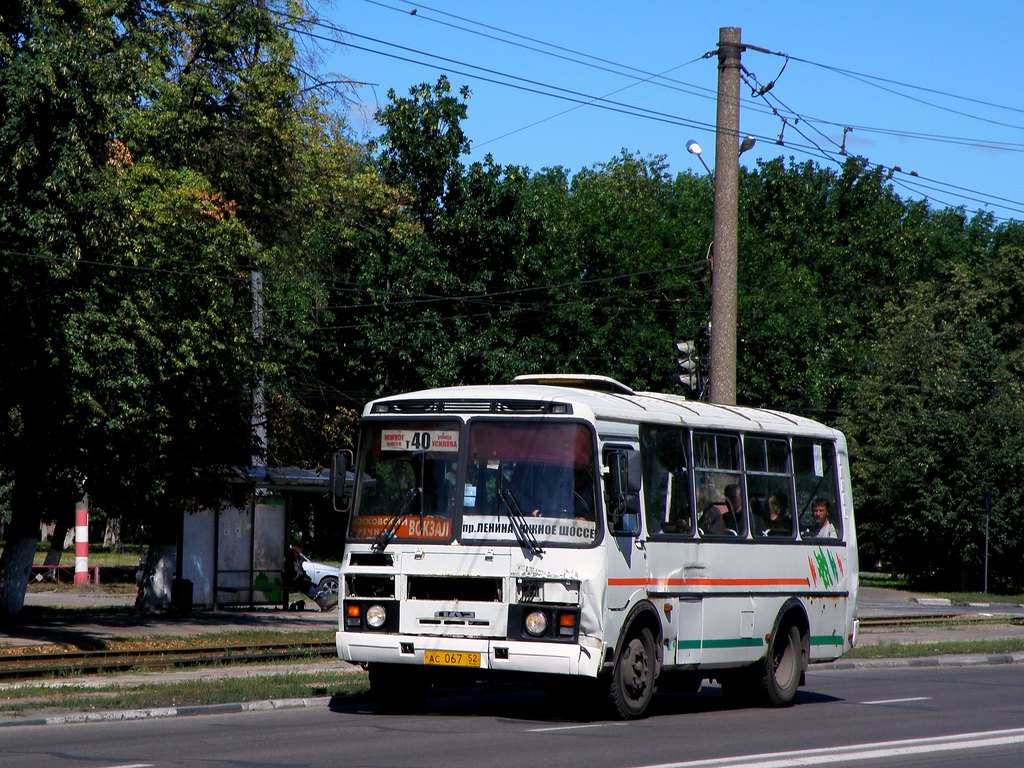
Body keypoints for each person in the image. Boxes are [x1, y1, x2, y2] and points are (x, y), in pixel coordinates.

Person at [284, 540, 337, 611]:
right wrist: (302, 578)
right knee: (307, 587)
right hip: (292, 579)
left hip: (298, 579)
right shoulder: (290, 558)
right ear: (294, 547)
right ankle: (324, 604)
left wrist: (306, 577)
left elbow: (301, 570)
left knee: (314, 585)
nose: (301, 549)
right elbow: (292, 572)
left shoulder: (299, 558)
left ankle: (325, 601)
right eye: (299, 547)